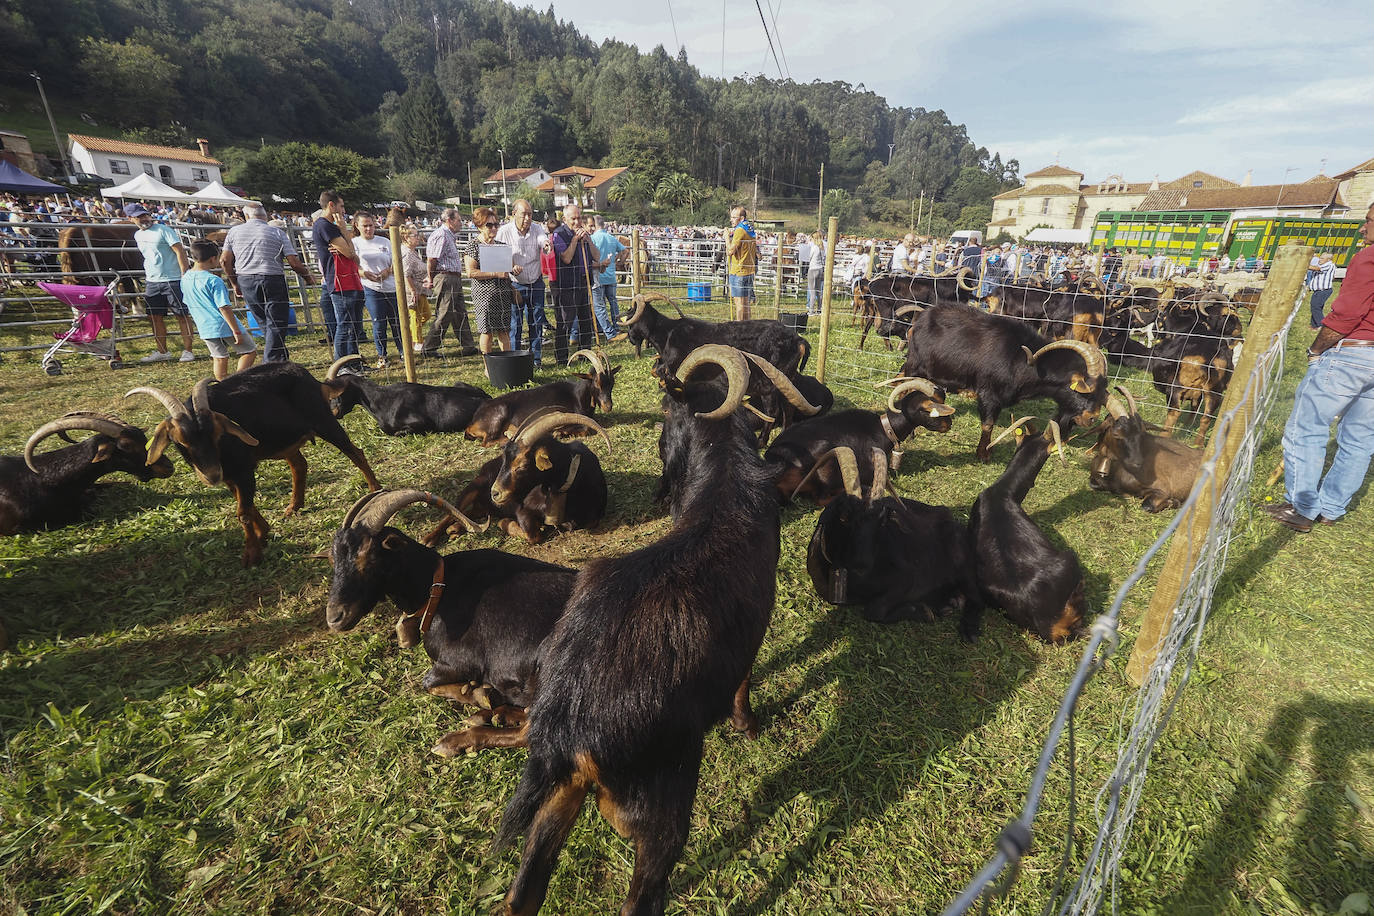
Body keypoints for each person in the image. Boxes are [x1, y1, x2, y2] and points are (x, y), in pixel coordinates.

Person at [1268, 202, 1374, 532]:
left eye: (1368, 221)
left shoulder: (1368, 258)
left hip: (1353, 354)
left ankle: (1302, 508)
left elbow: (1346, 315)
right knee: (1360, 438)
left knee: (1306, 429)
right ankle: (1331, 507)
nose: (1362, 228)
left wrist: (1316, 349)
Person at [221, 202, 312, 363]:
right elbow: (294, 262)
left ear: (247, 216)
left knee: (264, 321)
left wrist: (234, 282)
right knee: (276, 323)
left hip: (246, 278)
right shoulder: (276, 232)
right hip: (272, 278)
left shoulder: (234, 232)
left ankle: (280, 360)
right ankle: (271, 362)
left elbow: (224, 260)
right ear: (265, 216)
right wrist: (307, 276)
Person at [126, 202, 196, 362]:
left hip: (173, 279)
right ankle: (162, 351)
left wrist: (184, 272)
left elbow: (180, 251)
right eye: (139, 217)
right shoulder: (138, 235)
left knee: (182, 315)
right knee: (154, 316)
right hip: (152, 281)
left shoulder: (164, 230)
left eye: (145, 214)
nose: (144, 219)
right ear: (130, 219)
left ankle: (188, 351)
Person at [180, 238, 256, 380]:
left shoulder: (185, 278)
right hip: (223, 324)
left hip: (204, 326)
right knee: (249, 351)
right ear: (213, 258)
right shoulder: (214, 280)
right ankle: (237, 381)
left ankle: (223, 384)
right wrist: (236, 330)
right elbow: (224, 307)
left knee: (219, 357)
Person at [311, 191, 365, 363]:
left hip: (350, 280)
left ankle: (354, 363)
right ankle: (341, 365)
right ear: (331, 205)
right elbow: (350, 253)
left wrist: (349, 248)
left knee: (354, 326)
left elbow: (354, 255)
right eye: (341, 206)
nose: (344, 210)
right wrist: (344, 231)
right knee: (345, 325)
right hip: (340, 281)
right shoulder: (325, 226)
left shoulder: (333, 227)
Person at [421, 208, 479, 357]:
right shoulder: (441, 235)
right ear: (449, 220)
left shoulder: (449, 235)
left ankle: (468, 345)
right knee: (444, 313)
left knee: (460, 313)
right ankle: (429, 348)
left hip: (453, 277)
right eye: (458, 220)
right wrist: (432, 277)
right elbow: (432, 259)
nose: (461, 223)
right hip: (445, 277)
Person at [496, 200, 549, 365]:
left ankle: (536, 359)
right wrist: (511, 266)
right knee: (515, 323)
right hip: (515, 284)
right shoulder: (504, 232)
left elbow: (543, 240)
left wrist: (546, 245)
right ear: (514, 214)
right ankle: (516, 360)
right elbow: (497, 253)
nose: (527, 218)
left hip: (535, 281)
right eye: (523, 214)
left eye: (530, 214)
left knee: (536, 320)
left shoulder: (537, 228)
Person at [352, 213, 405, 368]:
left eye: (371, 225)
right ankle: (382, 355)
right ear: (357, 226)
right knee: (379, 323)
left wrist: (387, 271)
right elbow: (353, 265)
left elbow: (396, 261)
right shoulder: (354, 243)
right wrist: (364, 273)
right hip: (371, 287)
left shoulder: (385, 241)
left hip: (390, 287)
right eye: (365, 225)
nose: (369, 229)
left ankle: (403, 352)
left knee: (396, 322)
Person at [465, 206, 514, 359]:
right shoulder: (473, 246)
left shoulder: (501, 245)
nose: (493, 228)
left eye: (496, 224)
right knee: (487, 330)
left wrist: (513, 268)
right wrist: (494, 273)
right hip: (484, 295)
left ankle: (507, 363)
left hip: (503, 293)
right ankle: (489, 365)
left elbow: (508, 268)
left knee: (504, 330)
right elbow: (471, 272)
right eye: (489, 225)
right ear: (479, 226)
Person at [550, 203, 597, 363]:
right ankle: (562, 357)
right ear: (564, 219)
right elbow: (566, 257)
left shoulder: (585, 234)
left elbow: (596, 256)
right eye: (573, 219)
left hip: (584, 282)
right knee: (565, 322)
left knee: (586, 321)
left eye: (579, 218)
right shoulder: (558, 234)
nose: (577, 222)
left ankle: (585, 355)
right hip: (566, 285)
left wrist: (588, 240)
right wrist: (576, 239)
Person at [589, 215, 627, 340]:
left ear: (594, 225)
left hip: (598, 276)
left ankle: (603, 328)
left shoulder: (592, 238)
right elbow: (625, 251)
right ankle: (617, 325)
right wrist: (619, 262)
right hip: (611, 276)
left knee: (600, 305)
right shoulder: (612, 238)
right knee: (613, 302)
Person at [399, 226, 432, 352]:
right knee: (416, 316)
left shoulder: (413, 252)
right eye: (414, 235)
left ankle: (410, 335)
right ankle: (417, 342)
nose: (417, 238)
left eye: (417, 235)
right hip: (413, 291)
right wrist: (413, 290)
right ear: (406, 238)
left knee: (426, 315)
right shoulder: (407, 254)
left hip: (420, 289)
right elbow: (406, 274)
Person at [725, 206, 758, 320]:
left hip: (738, 271)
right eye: (731, 217)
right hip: (749, 270)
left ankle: (739, 329)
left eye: (734, 217)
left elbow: (730, 251)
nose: (731, 220)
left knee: (739, 304)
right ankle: (748, 327)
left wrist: (726, 238)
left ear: (742, 218)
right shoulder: (749, 228)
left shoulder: (739, 230)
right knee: (746, 303)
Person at [1306, 251, 1336, 330]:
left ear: (1328, 259)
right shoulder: (1322, 264)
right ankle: (1314, 325)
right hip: (1317, 291)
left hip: (1323, 290)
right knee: (1315, 306)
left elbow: (1317, 269)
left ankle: (1321, 325)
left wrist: (1304, 265)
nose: (1319, 260)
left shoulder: (1329, 265)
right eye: (1320, 258)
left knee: (1316, 307)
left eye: (1322, 258)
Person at [806, 234, 826, 316]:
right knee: (818, 291)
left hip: (813, 269)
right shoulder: (822, 248)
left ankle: (811, 310)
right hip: (820, 269)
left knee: (812, 291)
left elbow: (809, 257)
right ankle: (819, 309)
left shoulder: (814, 248)